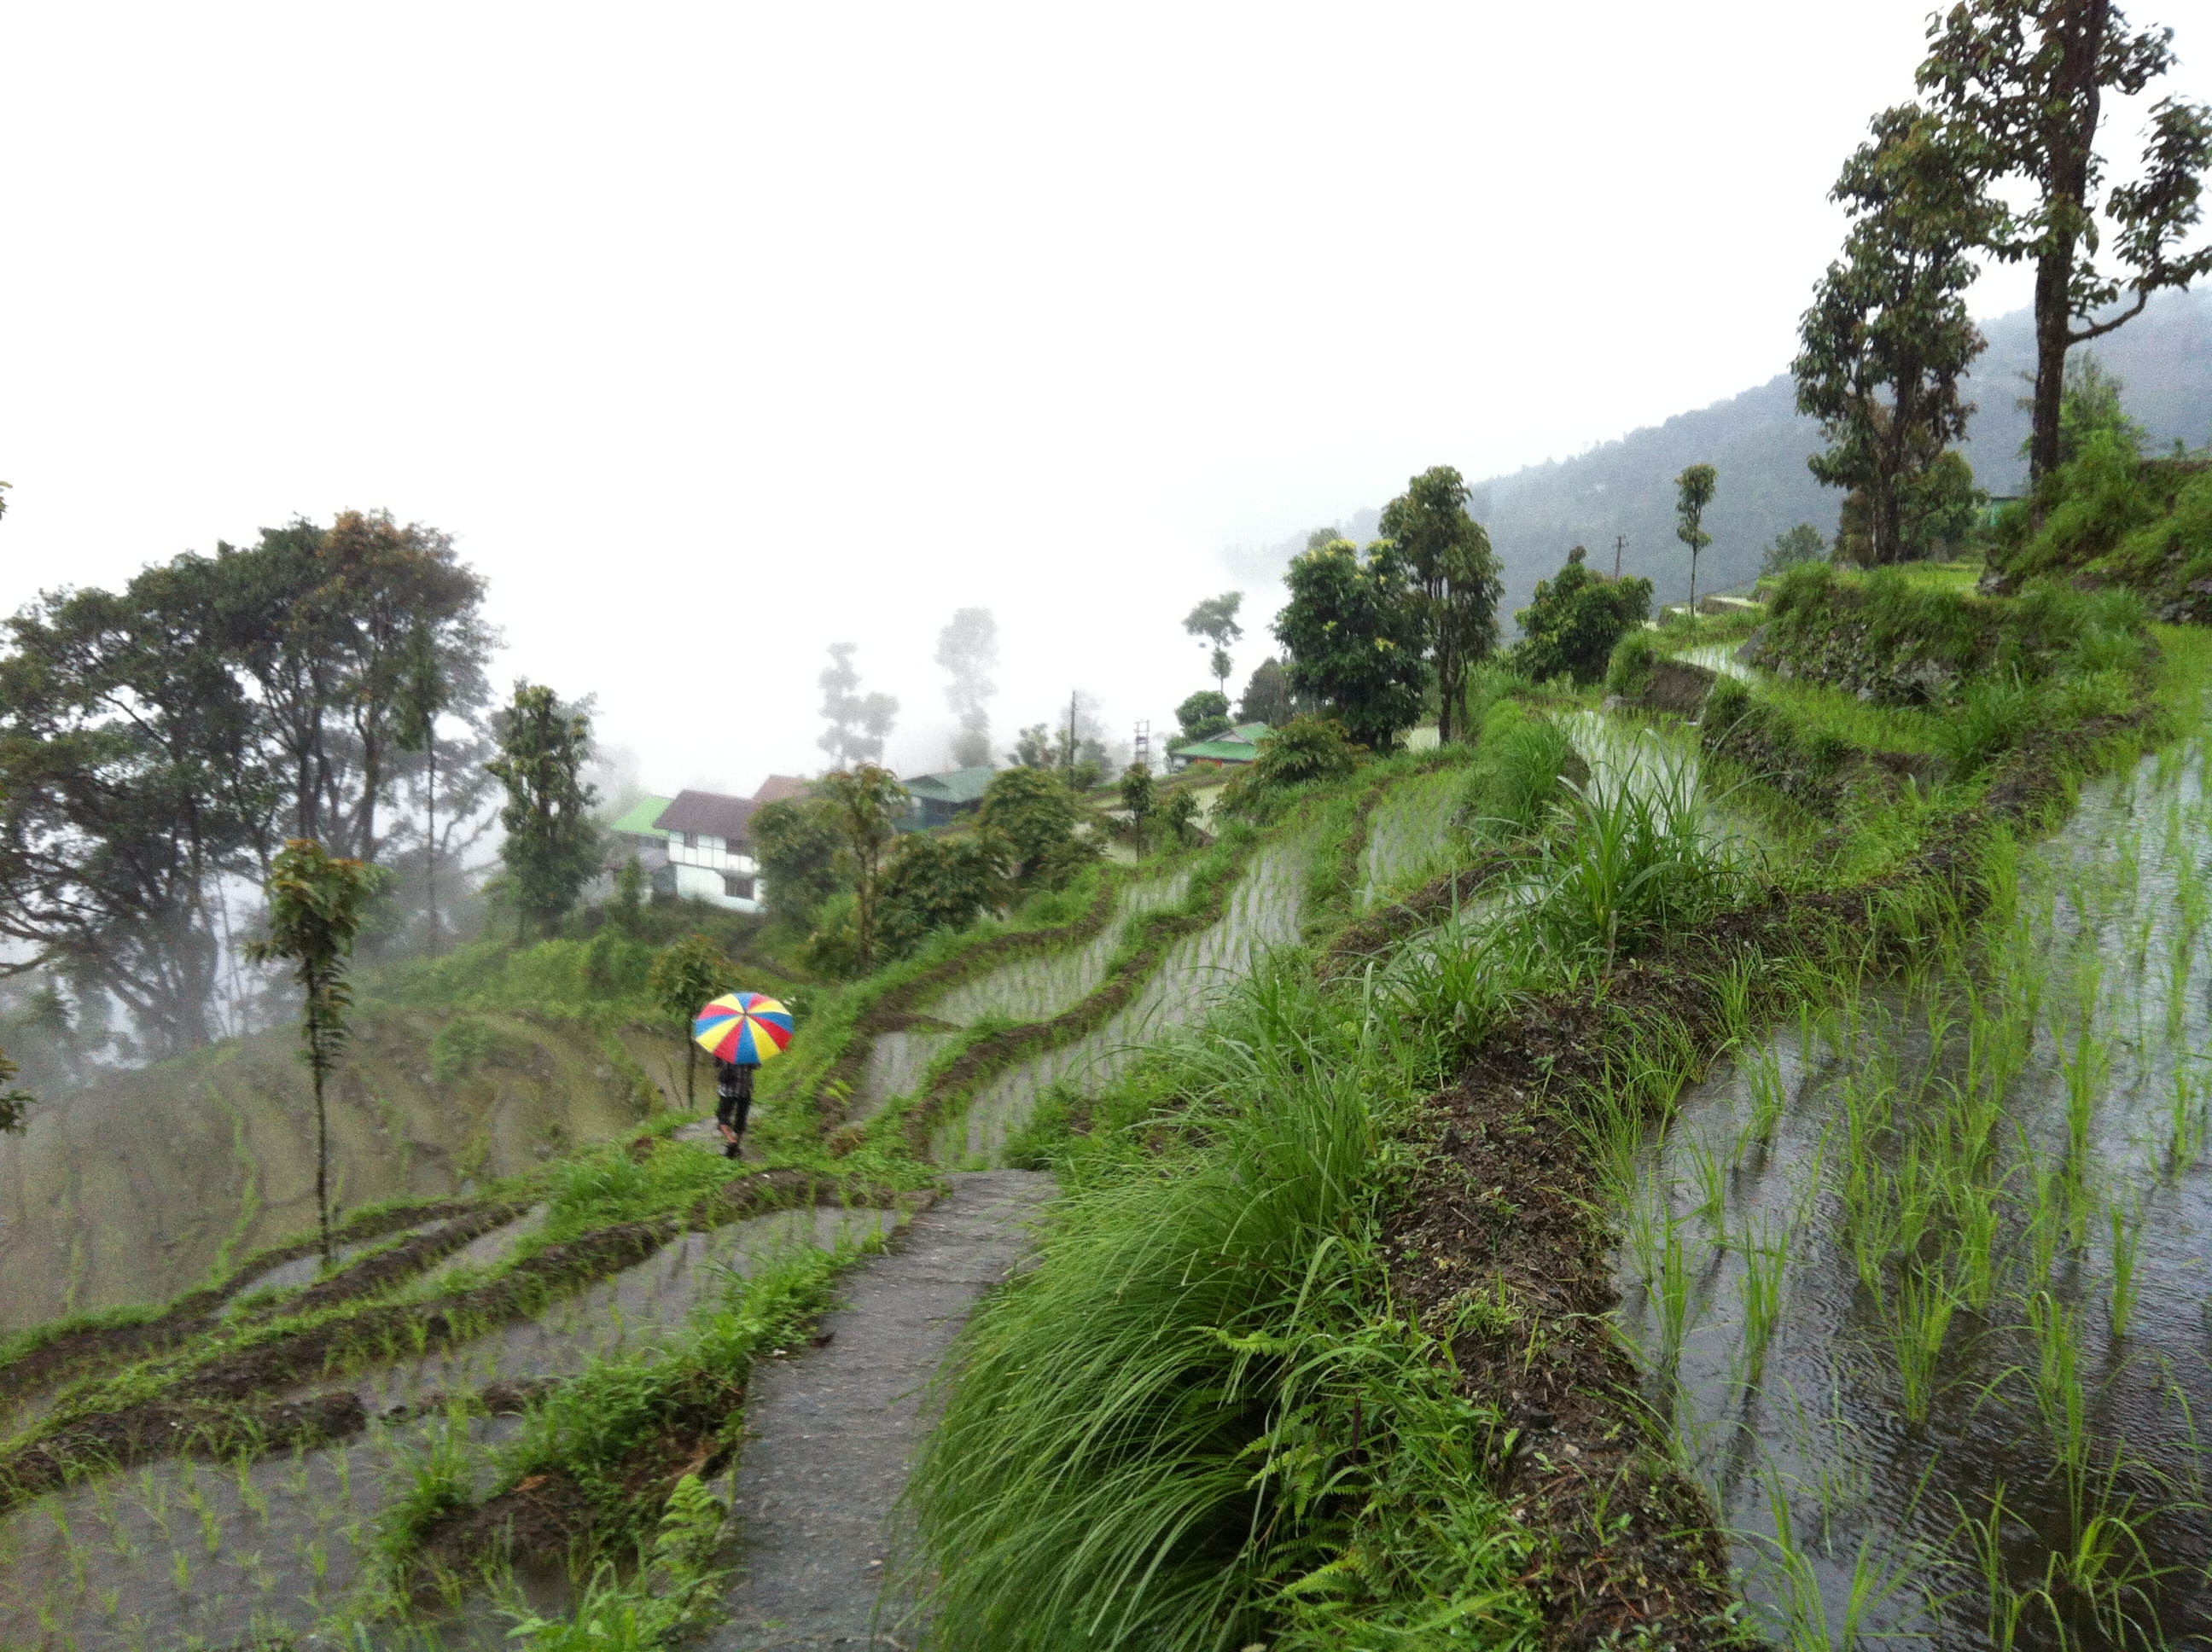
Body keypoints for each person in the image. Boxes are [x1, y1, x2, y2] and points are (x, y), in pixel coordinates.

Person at [715, 1056, 755, 1160]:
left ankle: (731, 1139)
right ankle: (736, 1145)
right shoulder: (749, 1052)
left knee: (723, 1115)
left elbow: (716, 1064)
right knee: (741, 1117)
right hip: (744, 1090)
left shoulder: (724, 1051)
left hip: (727, 1090)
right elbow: (756, 1066)